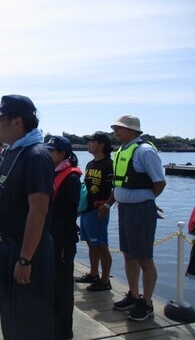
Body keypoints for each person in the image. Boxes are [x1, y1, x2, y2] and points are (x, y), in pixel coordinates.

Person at [0, 94, 54, 339]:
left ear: (17, 122)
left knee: (30, 321)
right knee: (12, 316)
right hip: (8, 245)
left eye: (0, 119)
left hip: (28, 251)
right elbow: (3, 200)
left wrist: (25, 259)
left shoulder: (35, 155)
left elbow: (38, 210)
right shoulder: (11, 152)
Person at [100, 115, 166, 321]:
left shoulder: (144, 151)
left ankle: (146, 303)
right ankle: (133, 294)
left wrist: (147, 200)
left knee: (144, 257)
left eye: (119, 128)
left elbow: (159, 182)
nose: (116, 131)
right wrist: (109, 203)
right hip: (125, 209)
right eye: (115, 128)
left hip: (140, 210)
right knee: (128, 254)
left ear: (133, 131)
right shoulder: (122, 151)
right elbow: (118, 184)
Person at [46, 136, 81, 340]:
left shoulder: (71, 178)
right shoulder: (54, 173)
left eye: (52, 151)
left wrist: (66, 246)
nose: (48, 154)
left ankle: (63, 332)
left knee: (63, 287)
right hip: (51, 236)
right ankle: (52, 325)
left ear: (62, 154)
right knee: (52, 285)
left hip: (62, 241)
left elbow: (70, 214)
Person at [77, 132, 114, 292]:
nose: (89, 144)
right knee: (91, 243)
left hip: (99, 211)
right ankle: (93, 273)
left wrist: (107, 205)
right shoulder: (90, 164)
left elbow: (116, 188)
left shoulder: (109, 164)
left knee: (101, 245)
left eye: (92, 142)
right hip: (87, 210)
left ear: (101, 145)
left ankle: (105, 280)